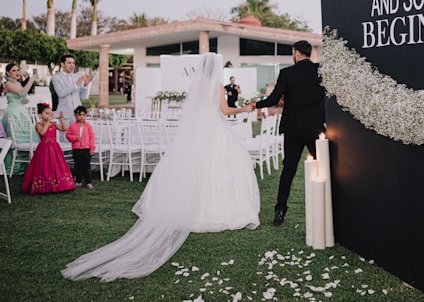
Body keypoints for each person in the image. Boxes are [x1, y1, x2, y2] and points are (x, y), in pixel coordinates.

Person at [62, 53, 259, 282]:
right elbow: (224, 111)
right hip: (215, 131)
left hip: (197, 135)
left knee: (193, 169)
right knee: (217, 169)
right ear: (215, 68)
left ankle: (186, 205)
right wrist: (244, 110)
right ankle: (211, 210)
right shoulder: (216, 85)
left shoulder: (197, 84)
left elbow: (193, 111)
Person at [254, 40, 326, 226]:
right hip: (315, 128)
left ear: (296, 53)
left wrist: (256, 104)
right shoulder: (321, 71)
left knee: (288, 170)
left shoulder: (287, 73)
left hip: (293, 129)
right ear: (309, 53)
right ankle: (330, 206)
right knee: (325, 167)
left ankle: (280, 210)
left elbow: (273, 99)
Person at [22, 103, 76, 194]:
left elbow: (64, 129)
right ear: (40, 115)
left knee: (56, 165)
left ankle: (58, 183)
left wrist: (62, 120)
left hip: (54, 147)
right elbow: (42, 133)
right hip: (44, 147)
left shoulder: (53, 124)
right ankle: (44, 185)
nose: (49, 115)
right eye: (47, 113)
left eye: (50, 113)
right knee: (44, 166)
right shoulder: (39, 124)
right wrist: (47, 122)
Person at [1, 63, 38, 175]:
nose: (17, 73)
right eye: (14, 70)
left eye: (18, 70)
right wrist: (31, 80)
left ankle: (24, 168)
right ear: (8, 73)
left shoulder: (17, 83)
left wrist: (23, 101)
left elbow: (21, 98)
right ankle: (13, 168)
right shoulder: (7, 84)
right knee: (15, 139)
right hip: (14, 113)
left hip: (22, 112)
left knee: (28, 137)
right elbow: (22, 92)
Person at [51, 55, 91, 130]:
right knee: (64, 139)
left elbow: (83, 97)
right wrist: (76, 85)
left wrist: (85, 86)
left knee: (78, 138)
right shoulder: (56, 78)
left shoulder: (76, 77)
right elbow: (61, 93)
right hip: (64, 114)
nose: (72, 65)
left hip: (78, 115)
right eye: (69, 63)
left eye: (73, 63)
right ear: (62, 64)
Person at [66, 106, 95, 190]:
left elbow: (92, 138)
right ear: (75, 115)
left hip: (86, 148)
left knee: (87, 166)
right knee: (77, 165)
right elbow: (68, 135)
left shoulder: (88, 126)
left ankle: (88, 182)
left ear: (86, 115)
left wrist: (92, 148)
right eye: (79, 115)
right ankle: (78, 181)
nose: (81, 117)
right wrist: (75, 138)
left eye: (83, 115)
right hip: (76, 149)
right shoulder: (72, 126)